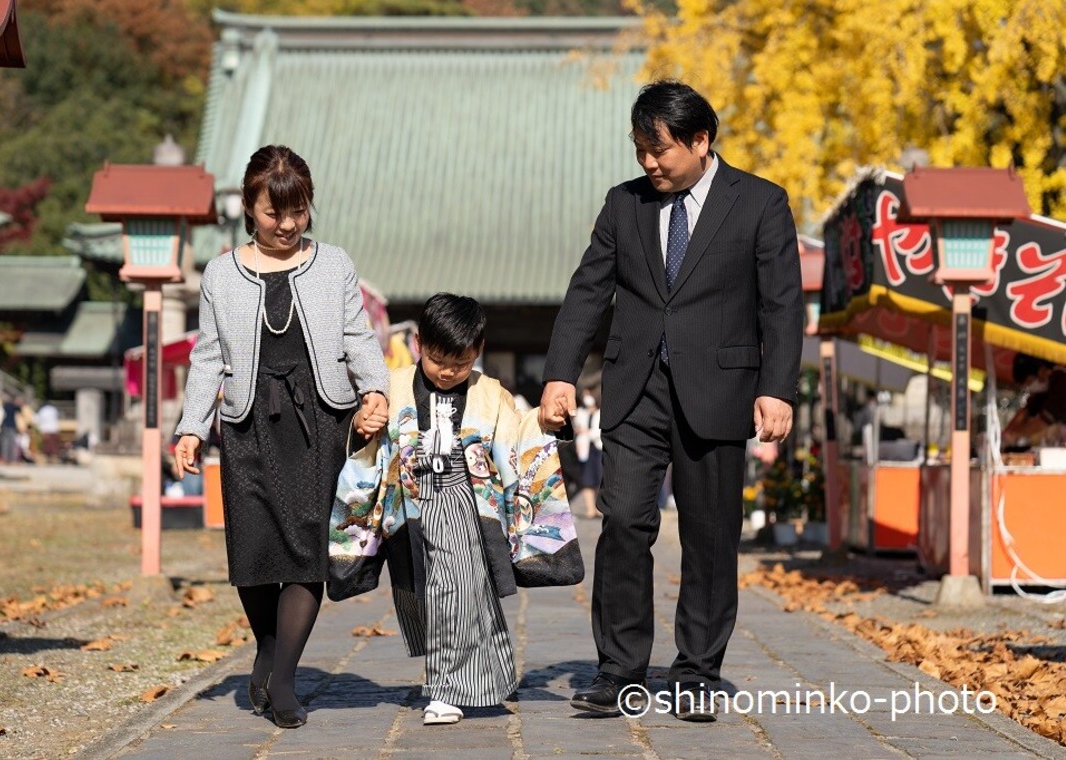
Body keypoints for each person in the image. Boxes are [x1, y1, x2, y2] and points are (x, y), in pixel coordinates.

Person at [538, 81, 803, 721]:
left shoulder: (761, 203)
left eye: (659, 151)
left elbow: (782, 304)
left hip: (720, 387)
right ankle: (620, 670)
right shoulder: (623, 205)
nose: (649, 164)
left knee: (710, 536)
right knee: (625, 521)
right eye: (640, 151)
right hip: (635, 390)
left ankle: (696, 672)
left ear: (700, 140)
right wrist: (560, 374)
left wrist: (777, 388)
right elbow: (587, 291)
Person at [172, 145, 391, 729]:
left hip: (318, 422)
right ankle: (268, 650)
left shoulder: (335, 264)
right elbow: (208, 356)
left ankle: (286, 677)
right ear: (249, 207)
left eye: (298, 211)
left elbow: (357, 334)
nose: (289, 224)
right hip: (245, 423)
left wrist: (376, 389)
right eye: (274, 213)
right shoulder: (221, 273)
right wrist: (191, 427)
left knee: (304, 550)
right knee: (251, 552)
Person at [329, 293, 583, 726]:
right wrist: (362, 427)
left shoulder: (491, 393)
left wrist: (543, 422)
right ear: (418, 345)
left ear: (478, 353)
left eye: (461, 364)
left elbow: (517, 439)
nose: (448, 372)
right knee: (436, 595)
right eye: (437, 359)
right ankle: (486, 679)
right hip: (409, 505)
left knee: (455, 591)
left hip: (466, 502)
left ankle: (445, 689)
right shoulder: (390, 385)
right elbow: (370, 443)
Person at [1002, 353, 1066, 449]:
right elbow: (1027, 410)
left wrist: (1012, 435)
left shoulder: (1061, 380)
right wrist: (1005, 434)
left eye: (1029, 382)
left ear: (1042, 372)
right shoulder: (1046, 387)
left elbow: (1041, 423)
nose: (1029, 387)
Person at [572, 387, 603, 517]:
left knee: (600, 478)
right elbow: (577, 427)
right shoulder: (580, 412)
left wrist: (588, 432)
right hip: (585, 449)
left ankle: (600, 507)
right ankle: (590, 509)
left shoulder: (601, 412)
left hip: (599, 447)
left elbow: (599, 431)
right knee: (587, 479)